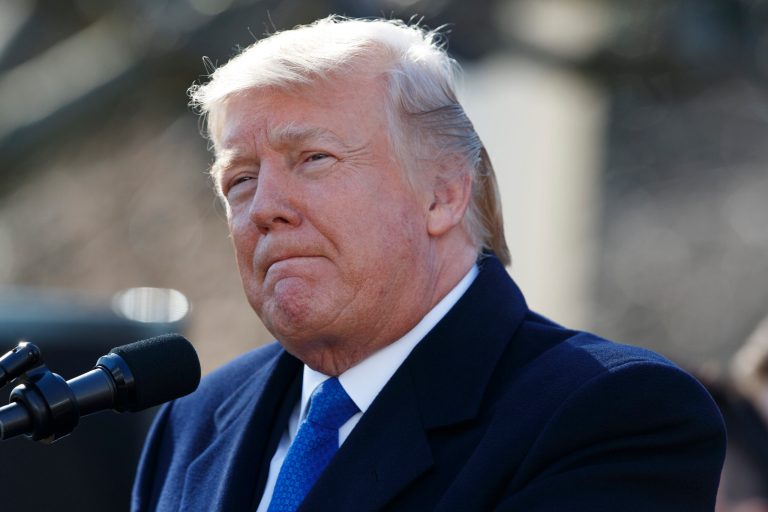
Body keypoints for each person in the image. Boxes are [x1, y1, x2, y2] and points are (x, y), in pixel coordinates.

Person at [132, 16, 726, 512]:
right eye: (240, 179)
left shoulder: (610, 412)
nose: (265, 209)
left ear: (443, 193)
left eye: (313, 158)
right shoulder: (196, 421)